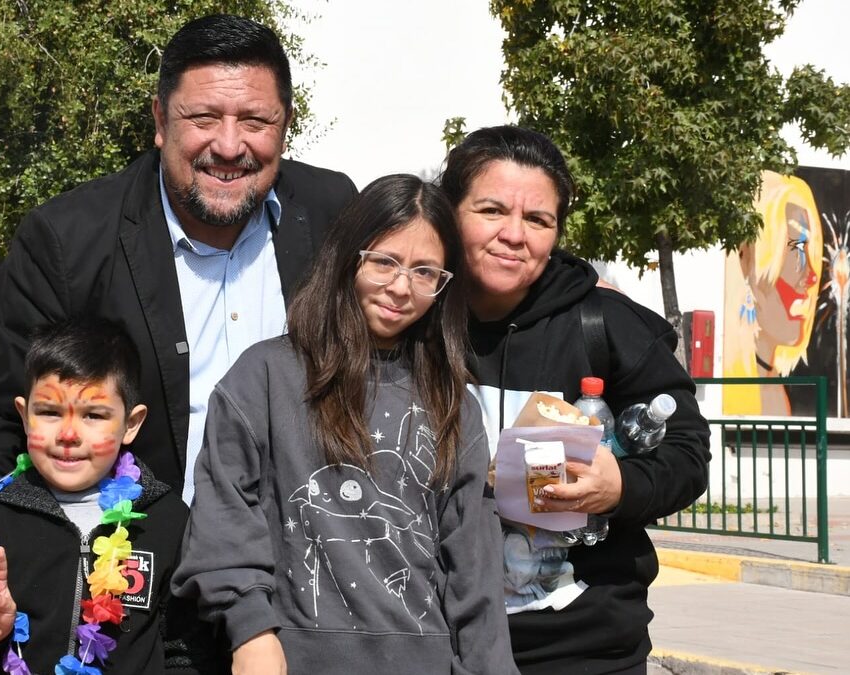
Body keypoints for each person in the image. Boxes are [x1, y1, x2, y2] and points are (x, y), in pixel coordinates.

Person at [0, 14, 357, 674]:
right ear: (160, 119)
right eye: (203, 117)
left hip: (301, 596)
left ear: (285, 124)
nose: (229, 145)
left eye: (255, 122)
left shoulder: (334, 213)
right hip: (142, 610)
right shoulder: (69, 240)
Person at [172, 174, 518, 675]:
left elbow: (474, 562)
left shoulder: (452, 401)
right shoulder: (266, 375)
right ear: (346, 256)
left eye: (426, 273)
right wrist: (250, 630)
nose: (401, 287)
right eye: (384, 262)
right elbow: (223, 513)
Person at [440, 126, 711, 674]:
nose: (513, 235)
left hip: (580, 649)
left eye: (538, 220)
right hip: (434, 637)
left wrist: (620, 488)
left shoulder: (604, 324)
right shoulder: (413, 318)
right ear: (448, 212)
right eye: (491, 210)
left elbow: (688, 452)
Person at [0, 317, 190, 674]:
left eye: (93, 415)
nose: (69, 434)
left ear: (131, 424)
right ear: (24, 417)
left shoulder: (166, 520)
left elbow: (186, 649)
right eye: (50, 413)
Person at [723, 170, 823, 415]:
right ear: (746, 258)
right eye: (796, 247)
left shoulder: (774, 384)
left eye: (811, 251)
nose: (811, 276)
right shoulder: (741, 382)